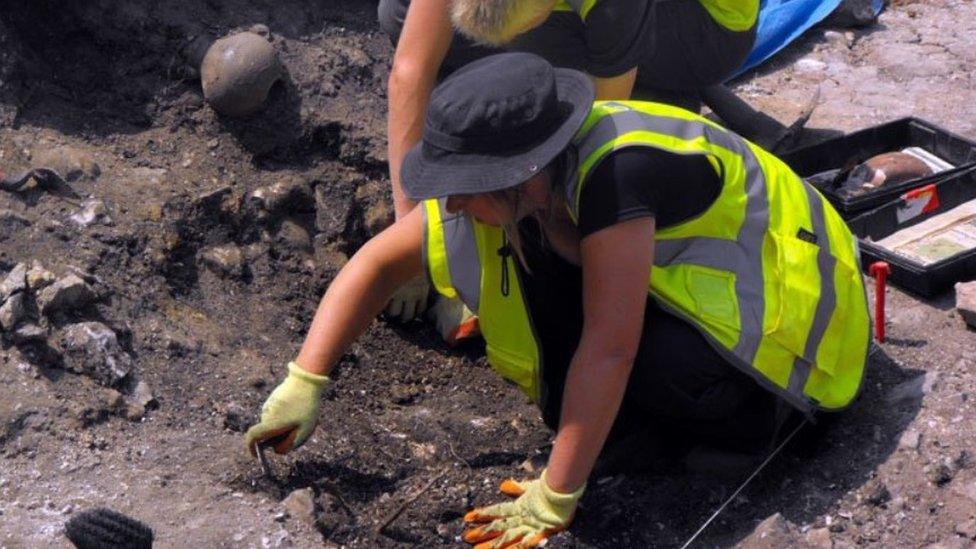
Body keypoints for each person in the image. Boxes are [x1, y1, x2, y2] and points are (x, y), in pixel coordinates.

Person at [245, 53, 869, 547]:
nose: (450, 203)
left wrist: (556, 492)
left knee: (652, 363)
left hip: (801, 331)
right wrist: (307, 379)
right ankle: (638, 430)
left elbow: (611, 346)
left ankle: (742, 431)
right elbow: (378, 263)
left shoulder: (620, 172)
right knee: (546, 280)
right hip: (715, 297)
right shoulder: (523, 189)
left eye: (461, 188)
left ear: (522, 174)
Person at [379, 0, 801, 329]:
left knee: (536, 60)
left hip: (711, 29)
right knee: (400, 15)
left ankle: (663, 88)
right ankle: (624, 64)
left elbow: (599, 133)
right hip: (600, 17)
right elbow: (410, 69)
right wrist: (412, 246)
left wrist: (542, 236)